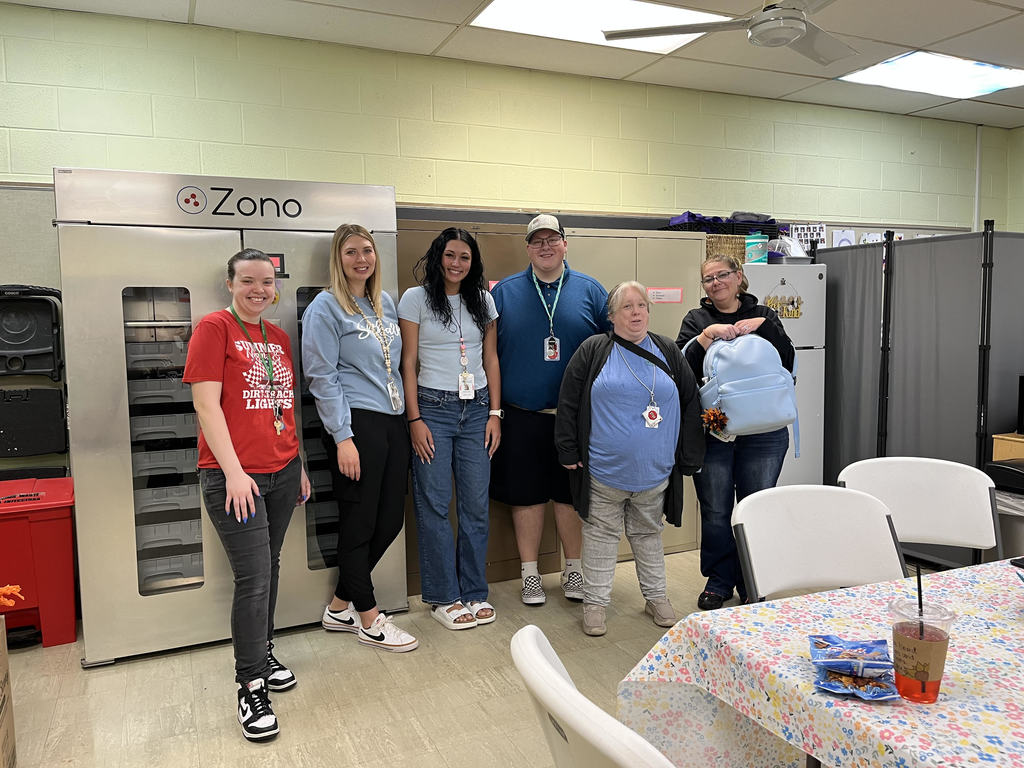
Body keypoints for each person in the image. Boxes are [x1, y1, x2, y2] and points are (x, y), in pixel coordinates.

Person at [184, 248, 311, 742]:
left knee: (271, 566)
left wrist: (296, 464)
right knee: (253, 579)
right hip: (233, 478)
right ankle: (250, 684)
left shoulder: (277, 336)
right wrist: (237, 474)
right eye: (248, 281)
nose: (259, 289)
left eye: (266, 281)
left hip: (282, 472)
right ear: (230, 284)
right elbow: (206, 407)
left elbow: (284, 405)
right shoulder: (215, 328)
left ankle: (263, 649)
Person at [554, 281, 704, 637]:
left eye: (642, 305)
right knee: (601, 536)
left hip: (655, 473)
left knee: (649, 535)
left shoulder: (668, 350)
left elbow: (690, 401)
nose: (636, 312)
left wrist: (690, 456)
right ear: (611, 315)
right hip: (603, 471)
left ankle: (656, 597)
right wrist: (568, 451)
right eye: (627, 307)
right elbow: (569, 402)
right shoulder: (594, 350)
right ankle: (595, 604)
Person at [301, 224, 418, 653]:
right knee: (359, 521)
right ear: (339, 258)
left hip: (392, 420)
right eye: (351, 252)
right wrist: (343, 437)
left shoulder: (382, 302)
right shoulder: (325, 307)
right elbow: (321, 375)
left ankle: (338, 606)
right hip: (356, 424)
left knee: (389, 521)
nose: (361, 259)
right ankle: (368, 617)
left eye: (367, 250)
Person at [490, 213, 611, 607]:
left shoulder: (591, 291)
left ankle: (573, 569)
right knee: (526, 496)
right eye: (536, 240)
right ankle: (530, 575)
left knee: (568, 495)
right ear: (527, 247)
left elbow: (612, 350)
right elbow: (486, 352)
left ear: (564, 243)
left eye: (551, 239)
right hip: (521, 414)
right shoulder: (503, 293)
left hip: (574, 417)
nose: (545, 246)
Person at [675, 254, 795, 611]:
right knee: (715, 509)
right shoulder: (696, 319)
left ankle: (752, 579)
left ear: (739, 277)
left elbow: (786, 361)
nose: (716, 283)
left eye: (723, 275)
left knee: (755, 506)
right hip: (714, 430)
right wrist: (704, 338)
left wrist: (765, 326)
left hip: (765, 430)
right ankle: (719, 580)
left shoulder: (765, 314)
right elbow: (683, 372)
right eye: (708, 279)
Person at [398, 228, 501, 630]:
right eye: (450, 255)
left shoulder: (484, 301)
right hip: (433, 410)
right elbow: (407, 363)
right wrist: (414, 419)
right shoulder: (415, 299)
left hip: (476, 409)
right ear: (438, 256)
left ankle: (475, 592)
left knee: (476, 506)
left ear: (473, 263)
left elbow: (490, 359)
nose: (457, 264)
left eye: (465, 257)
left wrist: (496, 413)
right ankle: (444, 596)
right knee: (435, 504)